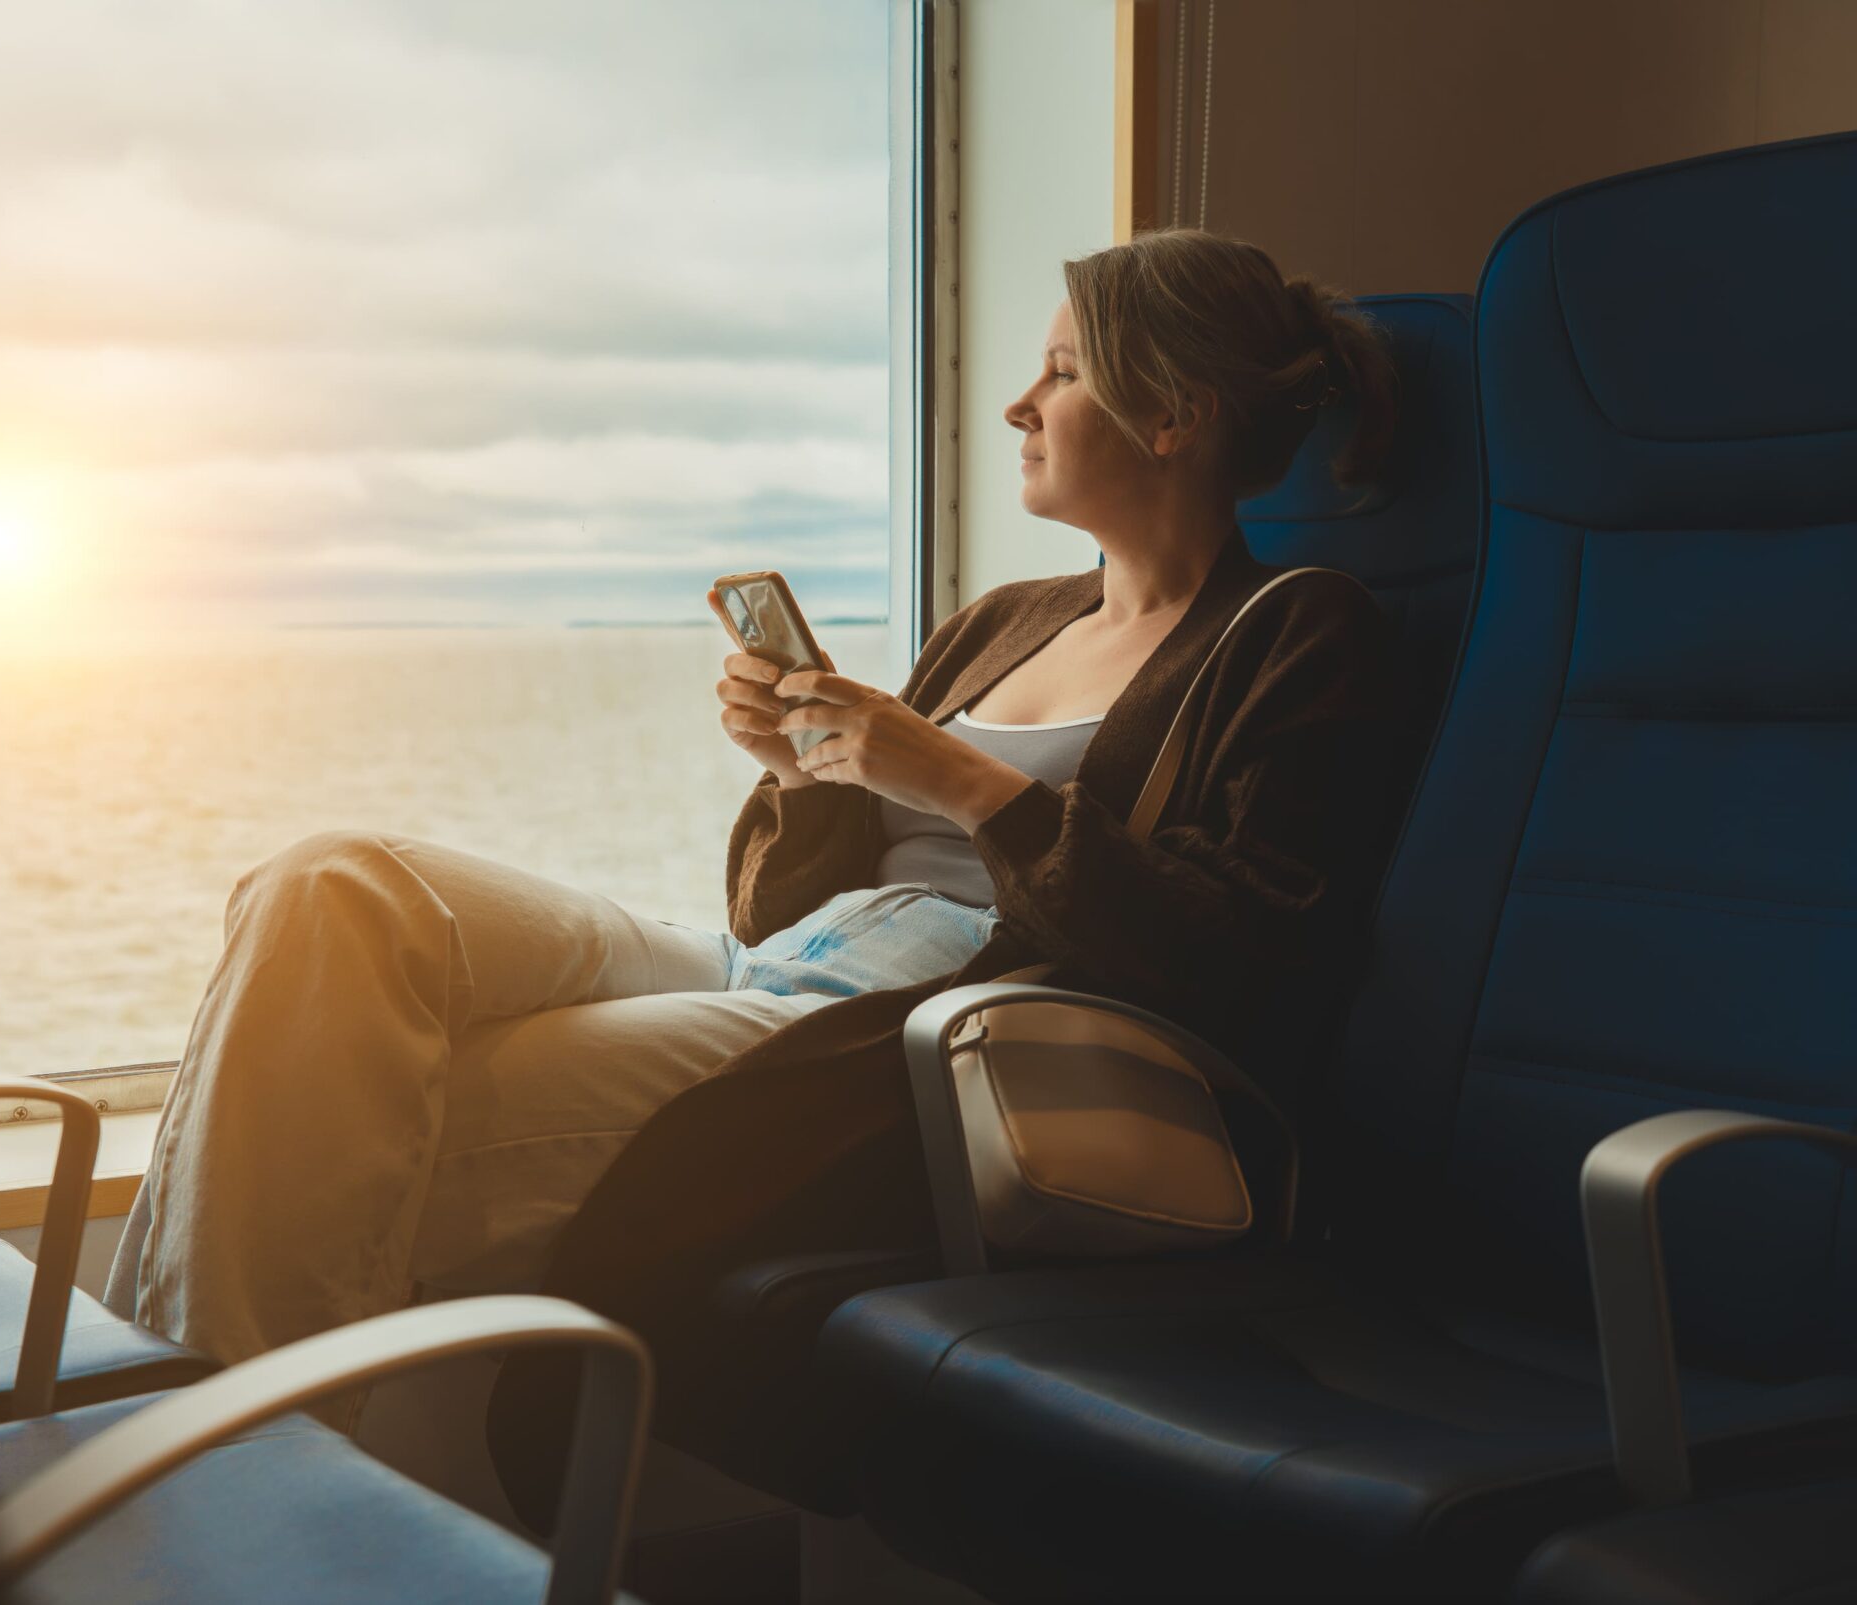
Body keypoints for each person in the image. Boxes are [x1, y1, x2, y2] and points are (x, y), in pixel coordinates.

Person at [104, 229, 1408, 1460]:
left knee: (338, 1105)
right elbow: (788, 897)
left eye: (1062, 373)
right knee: (332, 888)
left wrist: (953, 775)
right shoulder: (1007, 619)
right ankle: (242, 1490)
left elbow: (1241, 957)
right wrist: (806, 775)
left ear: (1174, 415)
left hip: (922, 1033)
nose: (1019, 404)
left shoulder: (1294, 632)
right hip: (780, 963)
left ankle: (209, 1495)